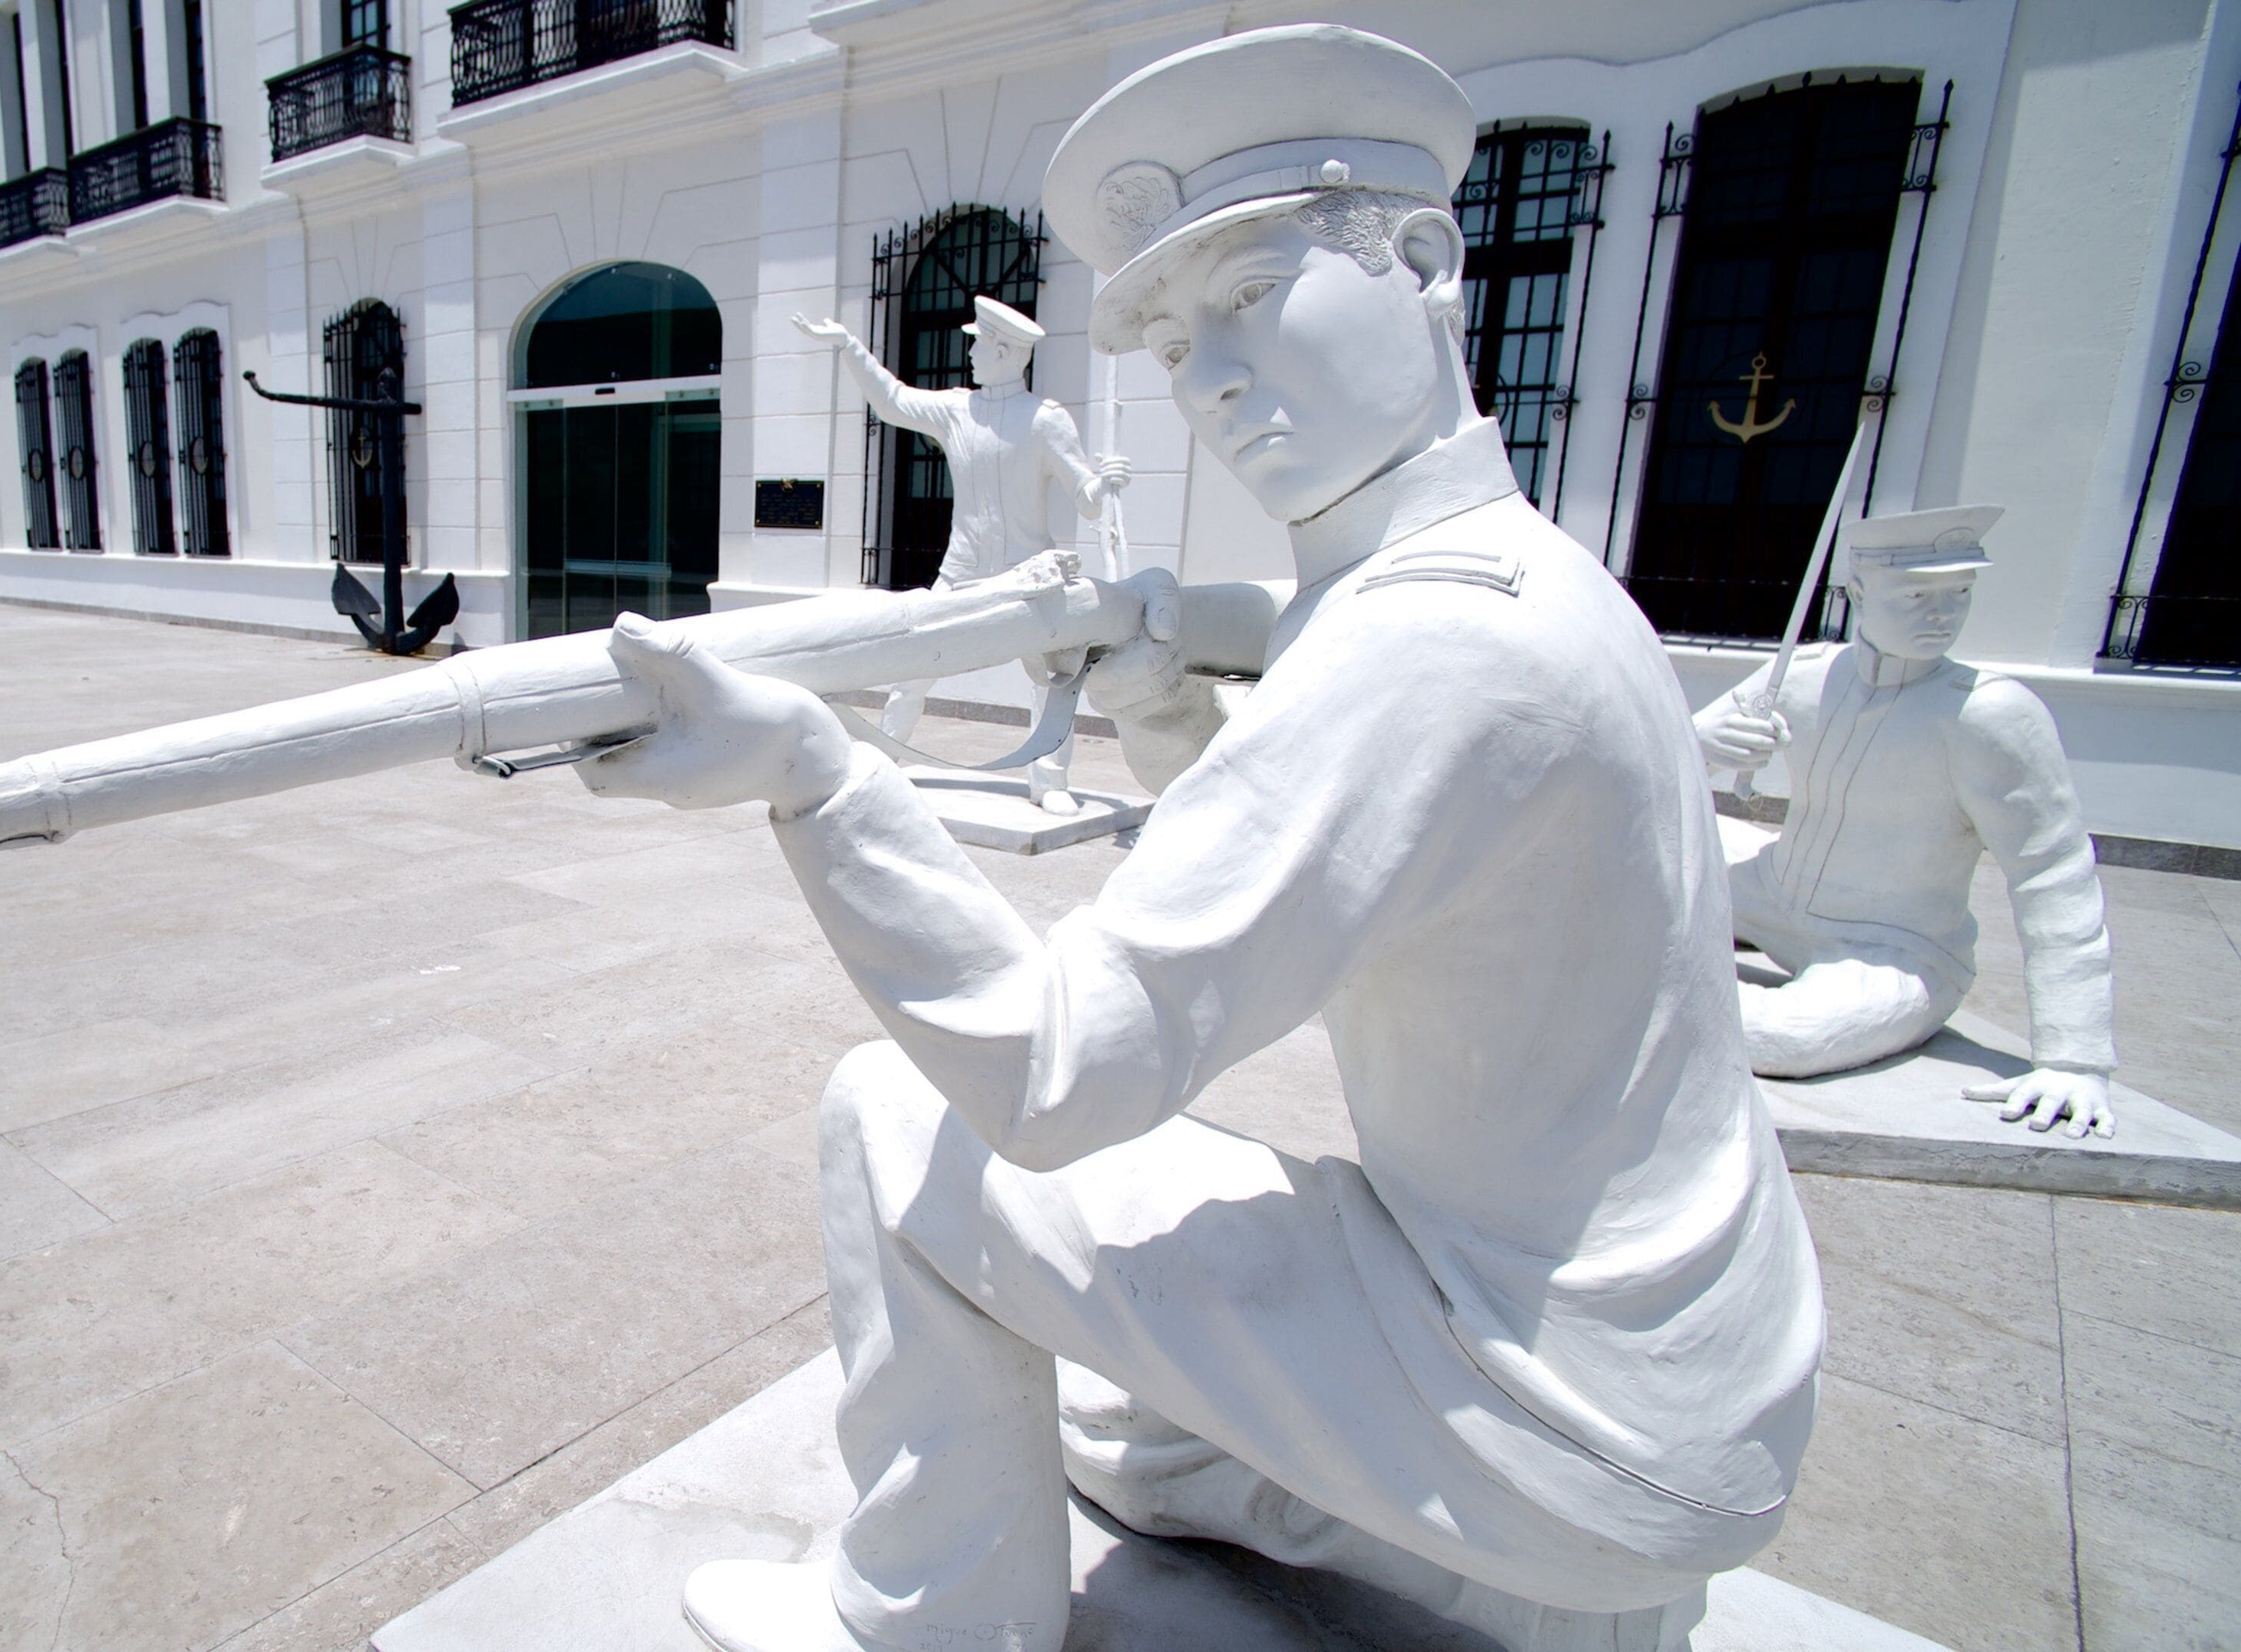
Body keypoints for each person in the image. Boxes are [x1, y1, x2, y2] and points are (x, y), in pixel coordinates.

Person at [578, 26, 1826, 1652]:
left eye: (1249, 292)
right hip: (1685, 1388)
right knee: (1113, 1425)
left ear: (1427, 264)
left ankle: (922, 1619)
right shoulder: (1533, 575)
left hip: (1553, 1402)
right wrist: (1163, 701)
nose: (1212, 378)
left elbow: (1056, 1074)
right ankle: (1493, 1582)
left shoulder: (1424, 642)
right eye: (1173, 341)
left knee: (891, 1120)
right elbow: (1347, 848)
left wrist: (816, 775)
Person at [1697, 506, 2119, 1135]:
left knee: (1782, 1037)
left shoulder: (1989, 715)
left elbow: (2052, 873)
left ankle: (1632, 988)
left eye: (1960, 593)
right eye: (1917, 595)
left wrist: (2074, 1059)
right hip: (1769, 892)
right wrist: (1699, 740)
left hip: (1894, 949)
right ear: (1859, 592)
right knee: (1621, 871)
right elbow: (1659, 765)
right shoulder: (1804, 675)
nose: (1942, 614)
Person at [793, 295, 1130, 813]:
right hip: (962, 570)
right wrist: (848, 346)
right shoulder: (957, 410)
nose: (969, 354)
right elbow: (892, 401)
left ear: (1006, 352)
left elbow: (1084, 496)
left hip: (1030, 574)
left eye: (979, 345)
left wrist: (1104, 484)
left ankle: (1050, 780)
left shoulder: (1045, 419)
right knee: (914, 669)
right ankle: (885, 764)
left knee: (1052, 679)